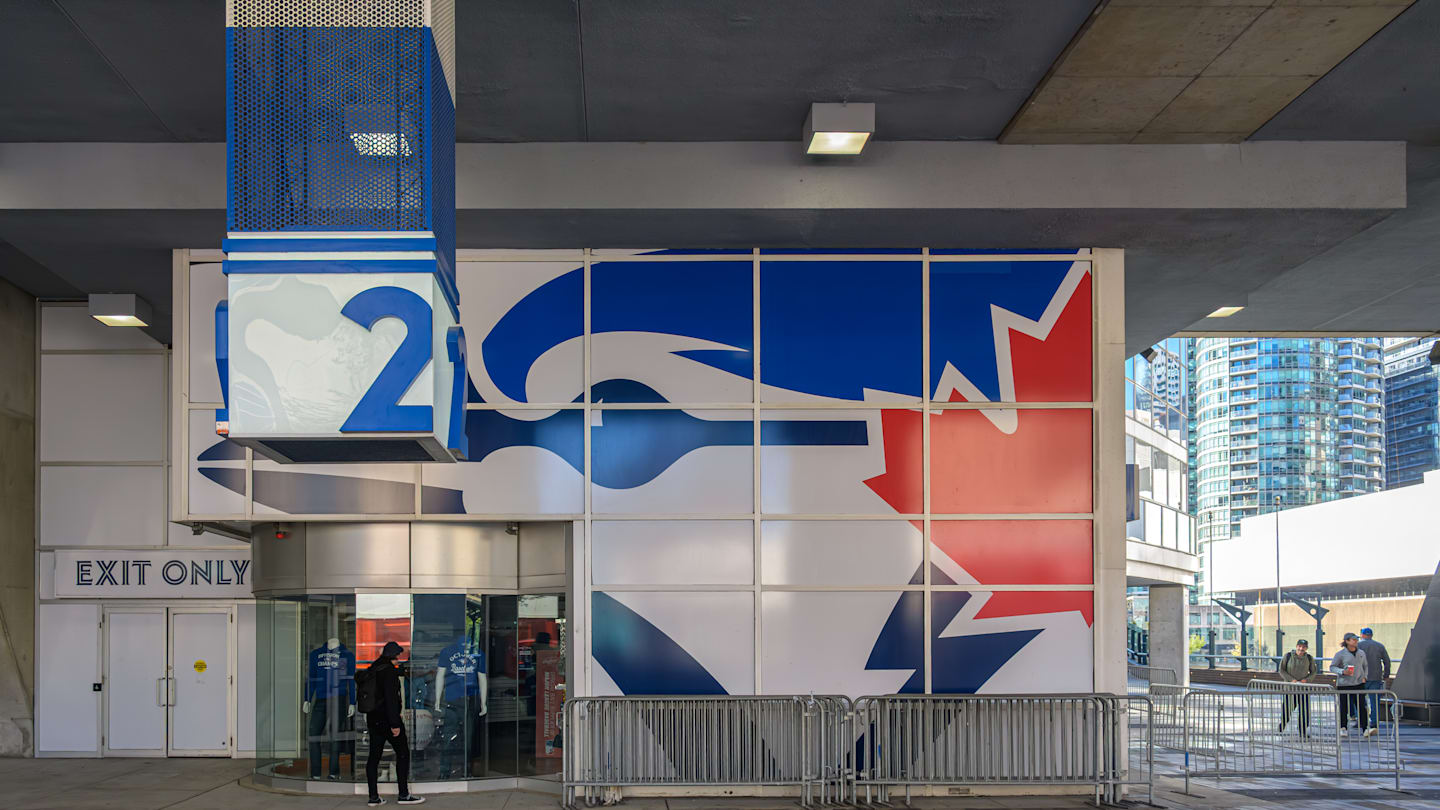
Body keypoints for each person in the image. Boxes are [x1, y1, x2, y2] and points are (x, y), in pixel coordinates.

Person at [364, 641, 426, 806]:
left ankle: (373, 797)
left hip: (373, 719)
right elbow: (391, 700)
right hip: (388, 720)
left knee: (374, 757)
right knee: (403, 753)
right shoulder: (389, 672)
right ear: (393, 656)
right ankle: (404, 794)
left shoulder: (373, 668)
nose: (399, 659)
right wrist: (395, 724)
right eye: (398, 656)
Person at [1330, 633, 1373, 737]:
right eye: (1353, 640)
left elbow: (1365, 666)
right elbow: (1332, 667)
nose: (1356, 641)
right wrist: (1342, 672)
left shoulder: (1361, 653)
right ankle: (1343, 728)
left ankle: (1365, 728)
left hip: (1358, 683)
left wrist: (1365, 677)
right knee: (1343, 707)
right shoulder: (1340, 654)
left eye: (1356, 639)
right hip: (1344, 685)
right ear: (1347, 641)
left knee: (1362, 706)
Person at [1278, 639, 1316, 736]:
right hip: (1290, 689)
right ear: (1296, 646)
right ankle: (1282, 724)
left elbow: (1313, 672)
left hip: (1303, 689)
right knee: (1287, 709)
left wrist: (1306, 680)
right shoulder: (1288, 656)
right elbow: (1281, 670)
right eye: (1299, 646)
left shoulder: (1309, 658)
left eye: (1303, 647)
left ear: (1306, 648)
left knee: (1304, 711)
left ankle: (1302, 730)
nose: (1301, 648)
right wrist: (1291, 679)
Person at [1357, 628, 1392, 731]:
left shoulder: (1357, 646)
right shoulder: (1379, 646)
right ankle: (1374, 722)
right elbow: (1387, 661)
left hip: (1360, 678)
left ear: (1362, 635)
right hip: (1375, 677)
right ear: (1371, 635)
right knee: (1374, 701)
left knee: (1359, 700)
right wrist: (1386, 675)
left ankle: (1361, 721)